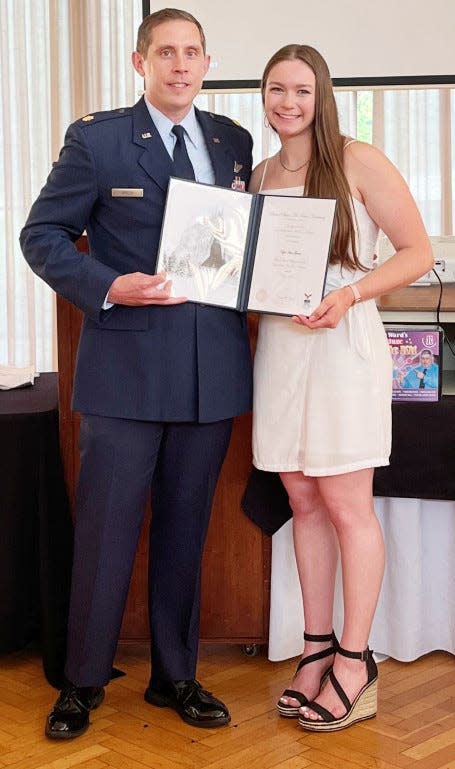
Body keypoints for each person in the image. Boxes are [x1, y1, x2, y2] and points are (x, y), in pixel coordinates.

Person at [20, 7, 253, 739]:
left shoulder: (232, 141)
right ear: (139, 62)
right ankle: (82, 682)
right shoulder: (96, 140)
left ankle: (174, 676)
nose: (179, 66)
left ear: (207, 63)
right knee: (106, 534)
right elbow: (41, 235)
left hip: (209, 370)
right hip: (124, 369)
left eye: (192, 53)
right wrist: (107, 285)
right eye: (165, 54)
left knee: (187, 533)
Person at [249, 44, 432, 732]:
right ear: (262, 96)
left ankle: (355, 661)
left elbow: (416, 253)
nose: (287, 102)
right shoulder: (261, 173)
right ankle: (315, 646)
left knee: (346, 502)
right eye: (275, 89)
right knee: (301, 496)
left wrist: (351, 294)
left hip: (342, 341)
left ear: (321, 94)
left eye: (300, 90)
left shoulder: (358, 159)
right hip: (279, 347)